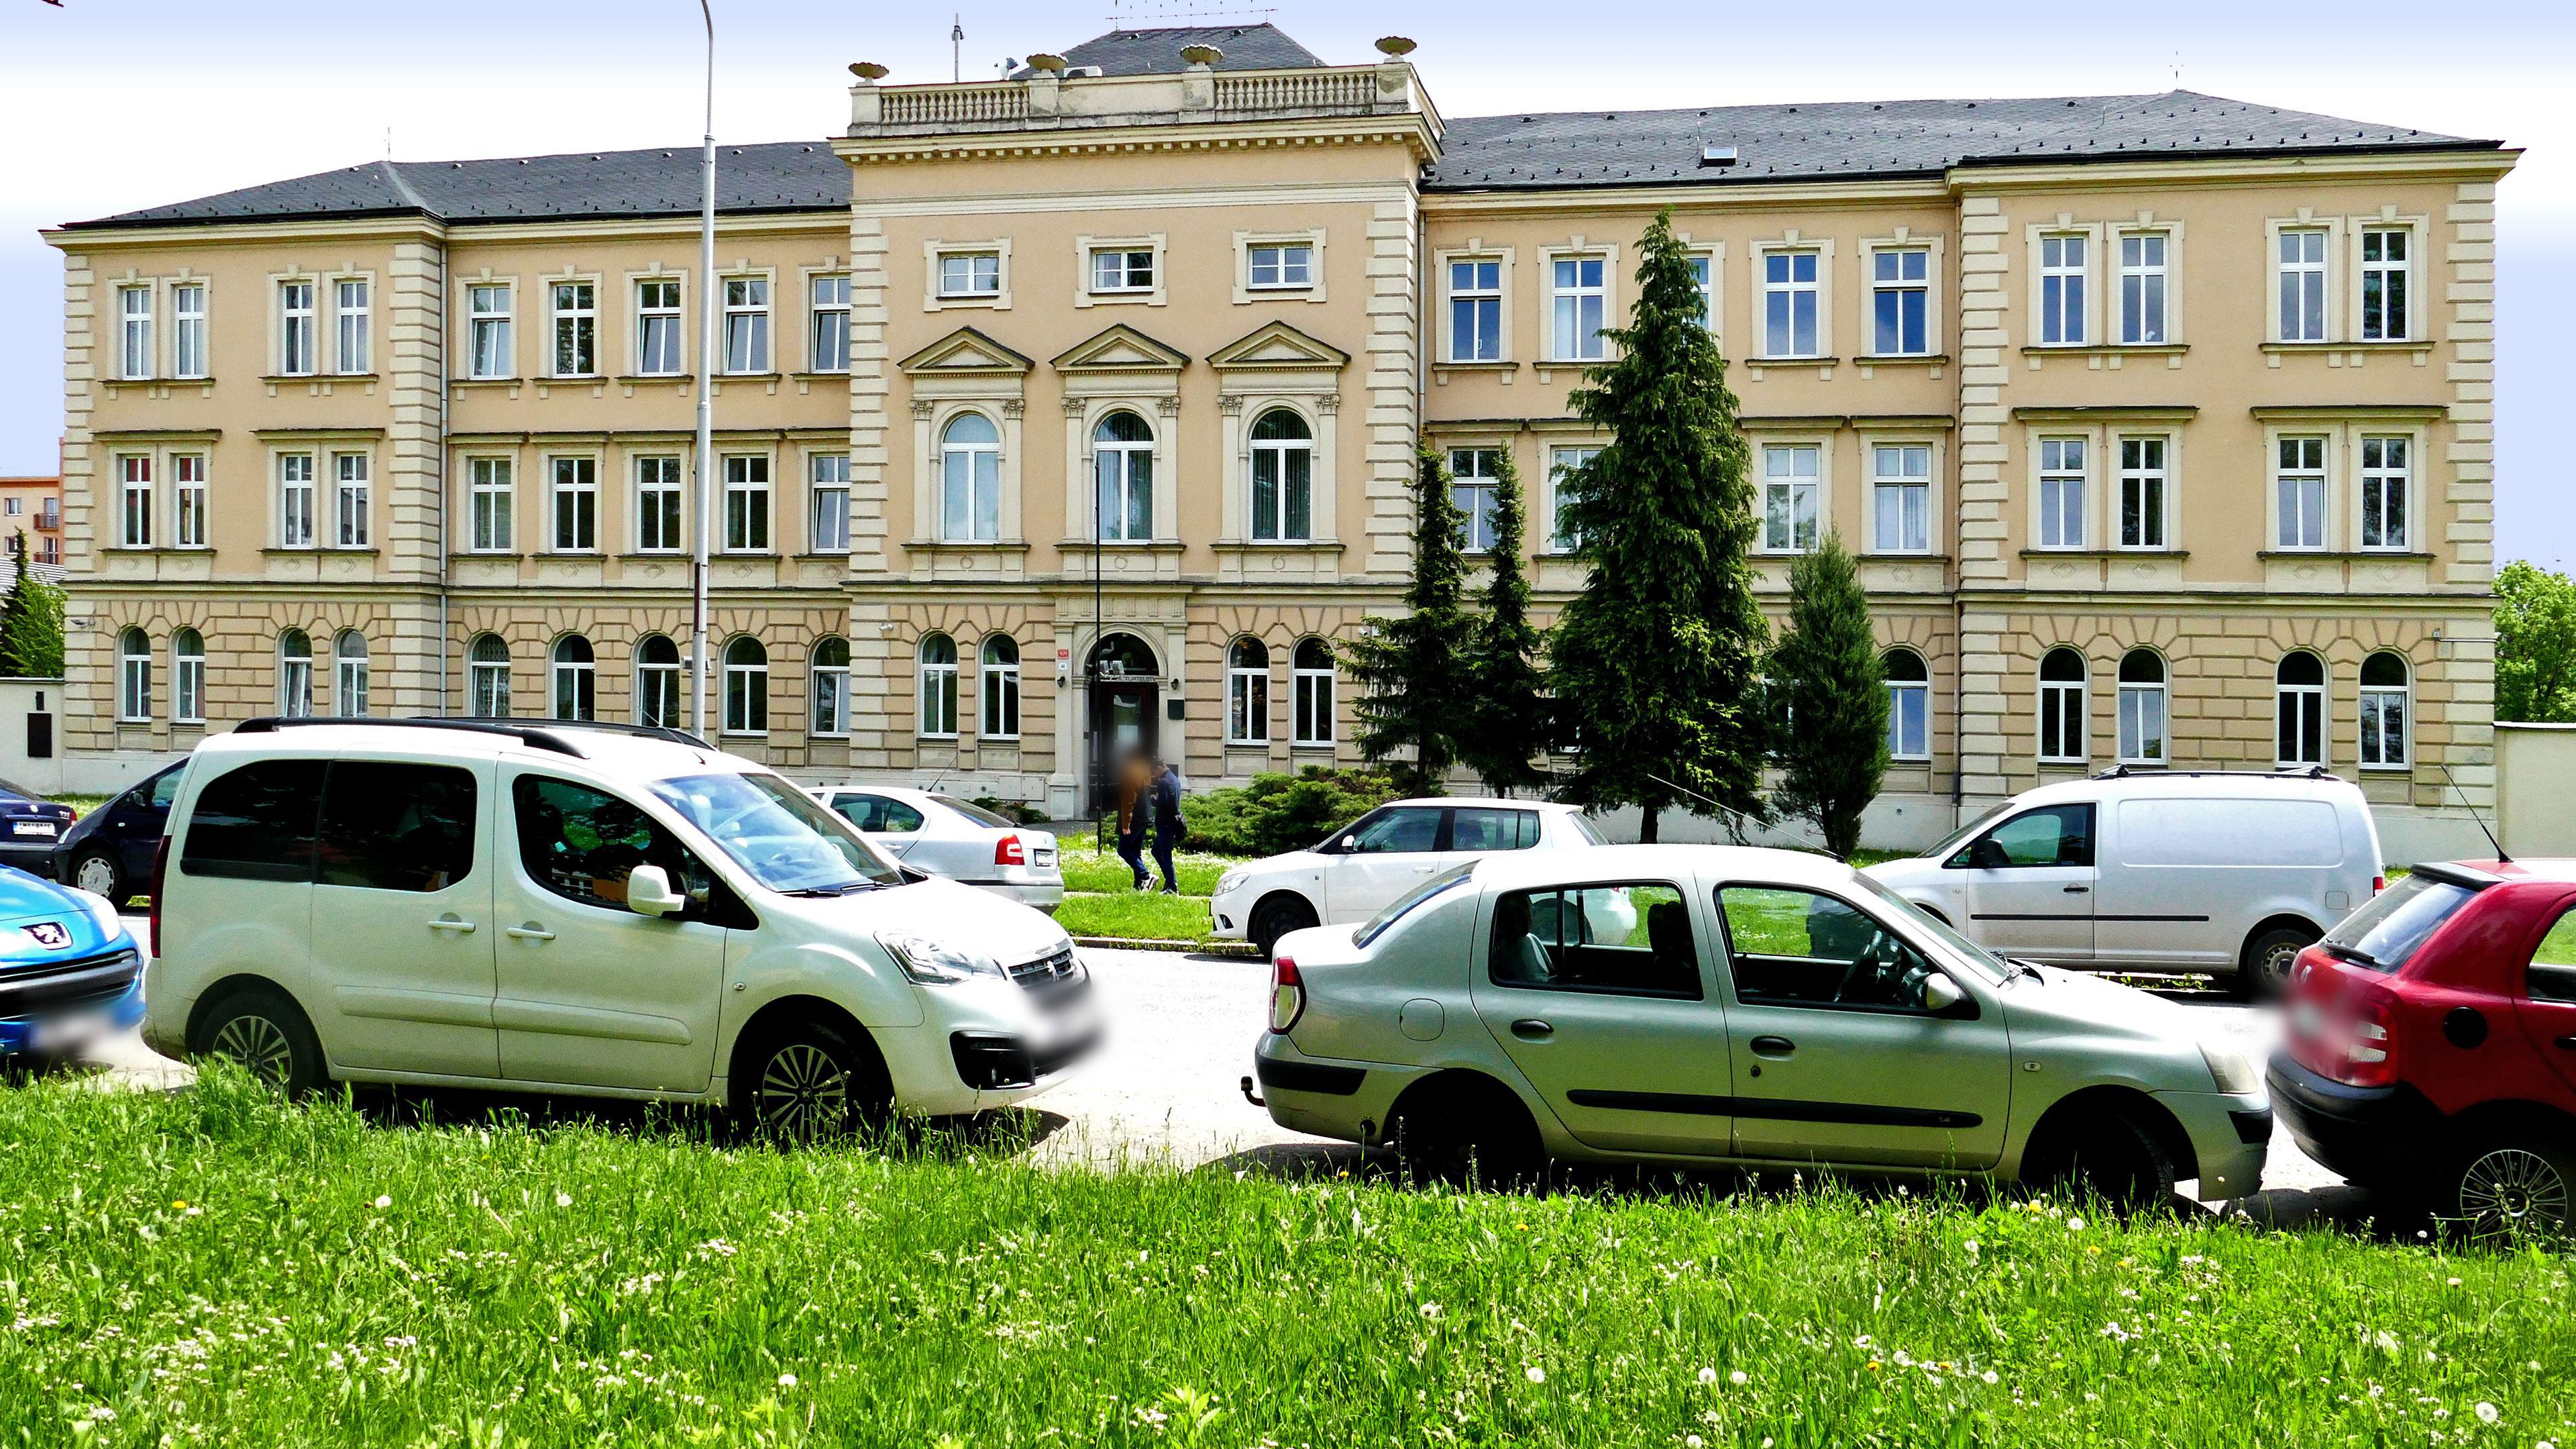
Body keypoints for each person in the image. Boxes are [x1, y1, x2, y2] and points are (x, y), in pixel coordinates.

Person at [1114, 750, 1152, 890]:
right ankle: (1139, 885)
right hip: (1145, 817)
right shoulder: (1145, 772)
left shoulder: (1131, 773)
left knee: (1123, 850)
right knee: (1136, 851)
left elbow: (1129, 800)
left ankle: (1146, 875)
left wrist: (1125, 824)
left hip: (1134, 819)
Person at [1150, 756, 1183, 895]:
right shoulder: (1175, 780)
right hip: (1172, 823)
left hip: (1165, 824)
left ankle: (1172, 887)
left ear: (1158, 768)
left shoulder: (1163, 782)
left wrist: (1153, 800)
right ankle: (1169, 882)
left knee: (1165, 856)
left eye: (1154, 772)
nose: (1154, 775)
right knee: (1156, 851)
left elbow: (1162, 803)